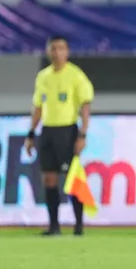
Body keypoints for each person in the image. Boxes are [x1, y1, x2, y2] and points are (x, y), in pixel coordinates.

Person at [24, 36, 94, 236]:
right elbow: (38, 107)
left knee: (72, 178)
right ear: (48, 51)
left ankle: (79, 225)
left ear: (67, 51)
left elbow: (85, 106)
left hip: (67, 130)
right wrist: (31, 133)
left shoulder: (75, 75)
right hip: (48, 131)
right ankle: (54, 226)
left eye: (61, 48)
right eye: (53, 49)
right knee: (49, 178)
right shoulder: (43, 77)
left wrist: (82, 134)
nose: (57, 53)